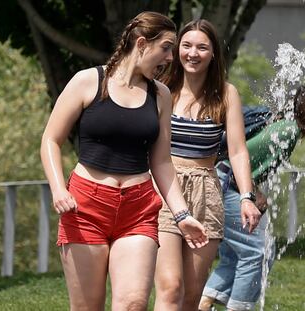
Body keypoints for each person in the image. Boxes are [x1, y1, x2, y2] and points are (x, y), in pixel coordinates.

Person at [40, 11, 209, 311]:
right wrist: (58, 189)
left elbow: (162, 162)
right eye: (167, 47)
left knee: (133, 304)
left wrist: (182, 216)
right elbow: (51, 139)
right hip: (86, 207)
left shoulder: (160, 95)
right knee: (87, 307)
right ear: (142, 43)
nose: (171, 57)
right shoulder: (88, 81)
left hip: (138, 208)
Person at [199, 82, 305, 311]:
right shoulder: (287, 130)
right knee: (258, 251)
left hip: (221, 184)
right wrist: (254, 194)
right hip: (225, 185)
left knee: (236, 255)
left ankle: (203, 304)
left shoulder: (288, 128)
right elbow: (237, 163)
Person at [154, 19, 261, 311]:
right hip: (165, 190)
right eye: (186, 45)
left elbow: (238, 151)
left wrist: (246, 197)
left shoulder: (226, 94)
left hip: (207, 191)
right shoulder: (162, 89)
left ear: (213, 53)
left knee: (191, 295)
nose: (193, 53)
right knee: (170, 287)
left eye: (202, 47)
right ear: (177, 50)